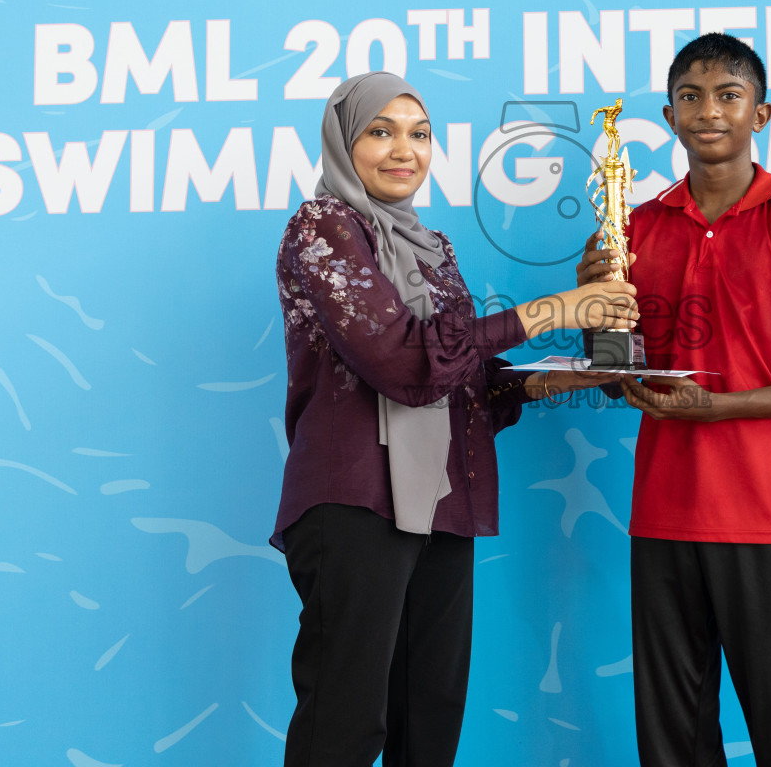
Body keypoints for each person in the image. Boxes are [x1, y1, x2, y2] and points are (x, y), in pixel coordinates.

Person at [273, 71, 637, 767]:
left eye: (419, 134)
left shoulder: (434, 251)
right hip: (356, 504)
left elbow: (460, 382)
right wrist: (550, 310)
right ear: (344, 142)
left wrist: (564, 379)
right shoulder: (322, 229)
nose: (402, 149)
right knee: (344, 726)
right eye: (379, 131)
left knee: (429, 721)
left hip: (439, 505)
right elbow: (405, 364)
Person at [577, 33, 771, 767]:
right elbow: (616, 375)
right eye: (692, 97)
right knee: (673, 746)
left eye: (728, 96)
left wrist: (719, 408)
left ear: (759, 115)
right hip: (666, 517)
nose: (710, 111)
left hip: (770, 519)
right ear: (669, 116)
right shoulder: (634, 228)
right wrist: (593, 310)